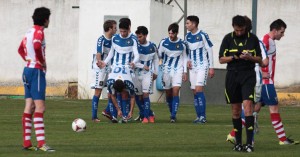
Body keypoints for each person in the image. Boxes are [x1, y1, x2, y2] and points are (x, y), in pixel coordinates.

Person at [219, 15, 262, 152]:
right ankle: (238, 143)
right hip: (232, 76)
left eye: (242, 30)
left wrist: (249, 57)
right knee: (236, 110)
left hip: (248, 75)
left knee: (248, 106)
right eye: (237, 30)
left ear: (245, 28)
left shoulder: (253, 39)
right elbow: (221, 59)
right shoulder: (227, 38)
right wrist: (234, 56)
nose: (239, 32)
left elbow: (260, 59)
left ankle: (249, 143)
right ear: (233, 27)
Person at [226, 15, 269, 144]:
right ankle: (240, 137)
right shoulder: (257, 42)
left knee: (248, 107)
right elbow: (264, 62)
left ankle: (243, 137)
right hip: (252, 75)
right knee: (252, 107)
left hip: (242, 75)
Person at [18, 7, 55, 152]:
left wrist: (28, 59)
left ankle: (27, 142)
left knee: (29, 106)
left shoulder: (29, 31)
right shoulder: (39, 31)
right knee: (40, 107)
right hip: (36, 72)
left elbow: (20, 49)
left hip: (27, 70)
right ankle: (42, 144)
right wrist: (41, 61)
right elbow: (37, 45)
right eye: (49, 19)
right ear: (46, 19)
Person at [259, 19, 298, 145]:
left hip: (264, 82)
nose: (283, 34)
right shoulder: (266, 40)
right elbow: (258, 57)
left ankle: (232, 135)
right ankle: (282, 139)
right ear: (275, 31)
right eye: (282, 32)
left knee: (254, 108)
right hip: (266, 82)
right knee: (274, 108)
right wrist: (263, 72)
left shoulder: (270, 41)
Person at [100, 19, 139, 123]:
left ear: (128, 29)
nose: (122, 33)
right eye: (121, 31)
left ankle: (126, 116)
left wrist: (134, 62)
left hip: (127, 68)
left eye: (124, 31)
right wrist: (104, 62)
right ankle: (114, 116)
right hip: (115, 67)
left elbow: (137, 55)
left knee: (125, 93)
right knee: (110, 93)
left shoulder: (133, 39)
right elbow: (111, 53)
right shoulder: (114, 38)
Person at [185, 15, 214, 124]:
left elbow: (209, 50)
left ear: (194, 24)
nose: (186, 25)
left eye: (188, 23)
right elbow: (186, 51)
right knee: (194, 92)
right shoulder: (187, 36)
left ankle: (203, 116)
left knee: (198, 90)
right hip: (192, 68)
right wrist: (188, 60)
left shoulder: (202, 35)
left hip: (203, 66)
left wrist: (211, 67)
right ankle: (198, 116)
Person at [158, 23, 188, 123]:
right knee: (168, 93)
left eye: (173, 33)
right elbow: (159, 54)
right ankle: (171, 111)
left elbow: (184, 58)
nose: (171, 35)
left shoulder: (182, 44)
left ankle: (173, 115)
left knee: (175, 91)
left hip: (178, 70)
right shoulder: (163, 42)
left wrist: (185, 72)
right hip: (166, 70)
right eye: (169, 33)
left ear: (177, 33)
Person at [91, 20, 117, 122]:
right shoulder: (101, 39)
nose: (116, 30)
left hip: (110, 67)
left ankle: (108, 112)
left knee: (112, 90)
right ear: (110, 28)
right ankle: (94, 117)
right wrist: (99, 62)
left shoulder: (115, 39)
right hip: (100, 68)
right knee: (98, 91)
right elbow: (98, 53)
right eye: (115, 28)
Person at [134, 26, 159, 123]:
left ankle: (145, 118)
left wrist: (156, 72)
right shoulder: (135, 46)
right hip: (136, 74)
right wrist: (142, 66)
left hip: (147, 74)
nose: (138, 39)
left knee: (145, 94)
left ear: (145, 35)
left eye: (140, 37)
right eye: (137, 37)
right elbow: (131, 61)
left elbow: (156, 59)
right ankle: (149, 114)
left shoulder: (152, 46)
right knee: (138, 96)